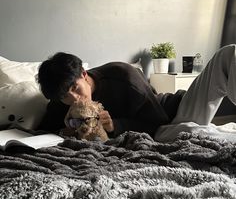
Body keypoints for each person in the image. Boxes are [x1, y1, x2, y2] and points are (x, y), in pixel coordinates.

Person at [37, 44, 236, 141]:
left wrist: (117, 125)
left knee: (228, 54)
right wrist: (66, 131)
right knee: (195, 134)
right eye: (65, 96)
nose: (74, 99)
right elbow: (42, 132)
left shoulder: (123, 75)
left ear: (83, 73)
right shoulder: (61, 96)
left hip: (173, 112)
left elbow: (158, 121)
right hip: (165, 131)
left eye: (75, 88)